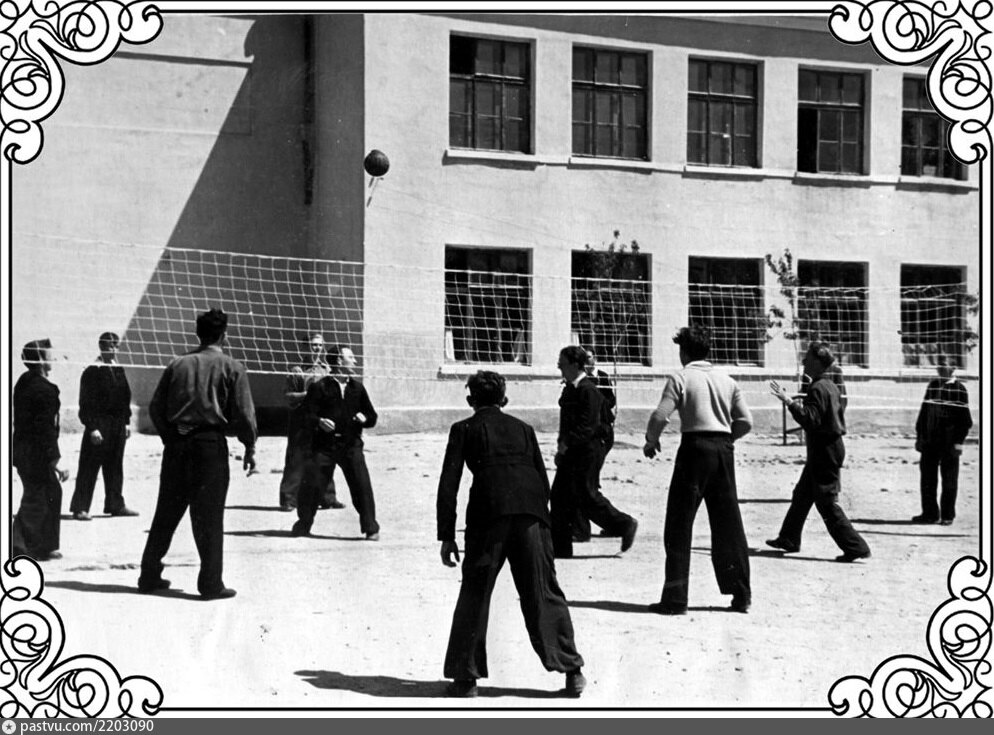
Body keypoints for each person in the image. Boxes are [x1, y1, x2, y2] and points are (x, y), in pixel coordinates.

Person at [437, 371, 586, 698]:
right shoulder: (524, 428)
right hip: (532, 515)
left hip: (488, 516)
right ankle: (572, 670)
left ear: (470, 400)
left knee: (475, 593)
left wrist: (446, 534)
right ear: (504, 399)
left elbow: (449, 484)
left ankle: (465, 678)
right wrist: (542, 526)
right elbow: (542, 480)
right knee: (543, 591)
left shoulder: (463, 429)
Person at [138, 308, 257, 600]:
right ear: (224, 335)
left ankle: (149, 575)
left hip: (178, 445)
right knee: (209, 517)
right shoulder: (232, 367)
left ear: (197, 334)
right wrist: (249, 445)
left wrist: (170, 437)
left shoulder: (177, 364)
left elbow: (155, 407)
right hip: (209, 445)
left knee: (166, 511)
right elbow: (244, 413)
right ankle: (210, 583)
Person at [643, 326, 752, 615]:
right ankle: (741, 594)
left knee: (679, 524)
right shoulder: (727, 380)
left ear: (684, 352)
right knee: (728, 523)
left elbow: (660, 415)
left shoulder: (681, 377)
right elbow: (746, 421)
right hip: (723, 450)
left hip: (694, 450)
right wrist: (726, 440)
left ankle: (676, 598)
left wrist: (651, 440)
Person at [768, 341, 871, 563]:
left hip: (825, 450)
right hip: (826, 448)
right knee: (802, 495)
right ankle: (788, 538)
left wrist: (788, 401)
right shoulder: (829, 385)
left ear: (816, 362)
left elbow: (810, 419)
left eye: (808, 357)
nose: (804, 361)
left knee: (826, 502)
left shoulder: (818, 388)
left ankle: (856, 547)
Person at [550, 345, 637, 559]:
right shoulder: (570, 389)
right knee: (559, 495)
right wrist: (561, 447)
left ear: (574, 365)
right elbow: (566, 424)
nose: (559, 367)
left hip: (588, 449)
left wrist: (567, 444)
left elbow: (587, 427)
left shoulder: (589, 390)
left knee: (587, 495)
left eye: (562, 364)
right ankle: (560, 547)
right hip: (573, 449)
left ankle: (624, 524)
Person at [291, 345, 380, 540]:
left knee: (361, 485)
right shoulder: (320, 387)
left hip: (351, 445)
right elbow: (306, 415)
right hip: (325, 446)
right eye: (351, 357)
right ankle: (303, 524)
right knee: (312, 485)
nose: (355, 361)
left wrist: (365, 418)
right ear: (339, 361)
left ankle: (371, 528)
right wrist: (319, 421)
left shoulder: (357, 388)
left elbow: (372, 416)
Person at [69, 332, 138, 521]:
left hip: (117, 425)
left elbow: (125, 397)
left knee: (115, 466)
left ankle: (115, 504)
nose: (113, 349)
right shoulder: (92, 371)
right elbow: (85, 403)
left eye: (115, 346)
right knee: (89, 467)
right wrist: (92, 427)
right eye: (109, 346)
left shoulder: (118, 369)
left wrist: (126, 422)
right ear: (101, 347)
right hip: (99, 425)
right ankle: (80, 507)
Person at [12, 339, 69, 562]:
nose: (53, 357)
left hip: (24, 451)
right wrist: (55, 460)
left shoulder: (25, 381)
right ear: (40, 360)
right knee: (38, 498)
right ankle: (18, 545)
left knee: (46, 494)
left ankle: (44, 546)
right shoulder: (43, 390)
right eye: (49, 354)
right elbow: (44, 429)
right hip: (35, 453)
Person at [278, 333, 344, 512]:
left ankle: (327, 497)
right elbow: (288, 396)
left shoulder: (327, 370)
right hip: (301, 419)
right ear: (305, 347)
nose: (317, 349)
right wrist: (309, 395)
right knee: (296, 459)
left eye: (320, 345)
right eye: (314, 345)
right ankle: (288, 499)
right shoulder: (297, 371)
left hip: (322, 421)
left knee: (324, 458)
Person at [912, 356, 973, 526]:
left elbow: (965, 421)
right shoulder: (933, 386)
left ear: (953, 368)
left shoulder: (959, 389)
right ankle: (929, 513)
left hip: (949, 443)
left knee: (949, 480)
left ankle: (947, 515)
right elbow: (924, 412)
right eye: (938, 365)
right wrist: (920, 437)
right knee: (927, 479)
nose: (940, 368)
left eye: (944, 365)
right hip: (930, 442)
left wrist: (958, 443)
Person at [572, 349, 617, 542]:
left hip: (599, 433)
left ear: (594, 359)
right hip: (590, 434)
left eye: (589, 357)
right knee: (585, 484)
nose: (587, 361)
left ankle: (619, 524)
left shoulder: (599, 379)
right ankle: (584, 528)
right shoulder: (579, 381)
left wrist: (597, 399)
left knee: (587, 485)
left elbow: (611, 400)